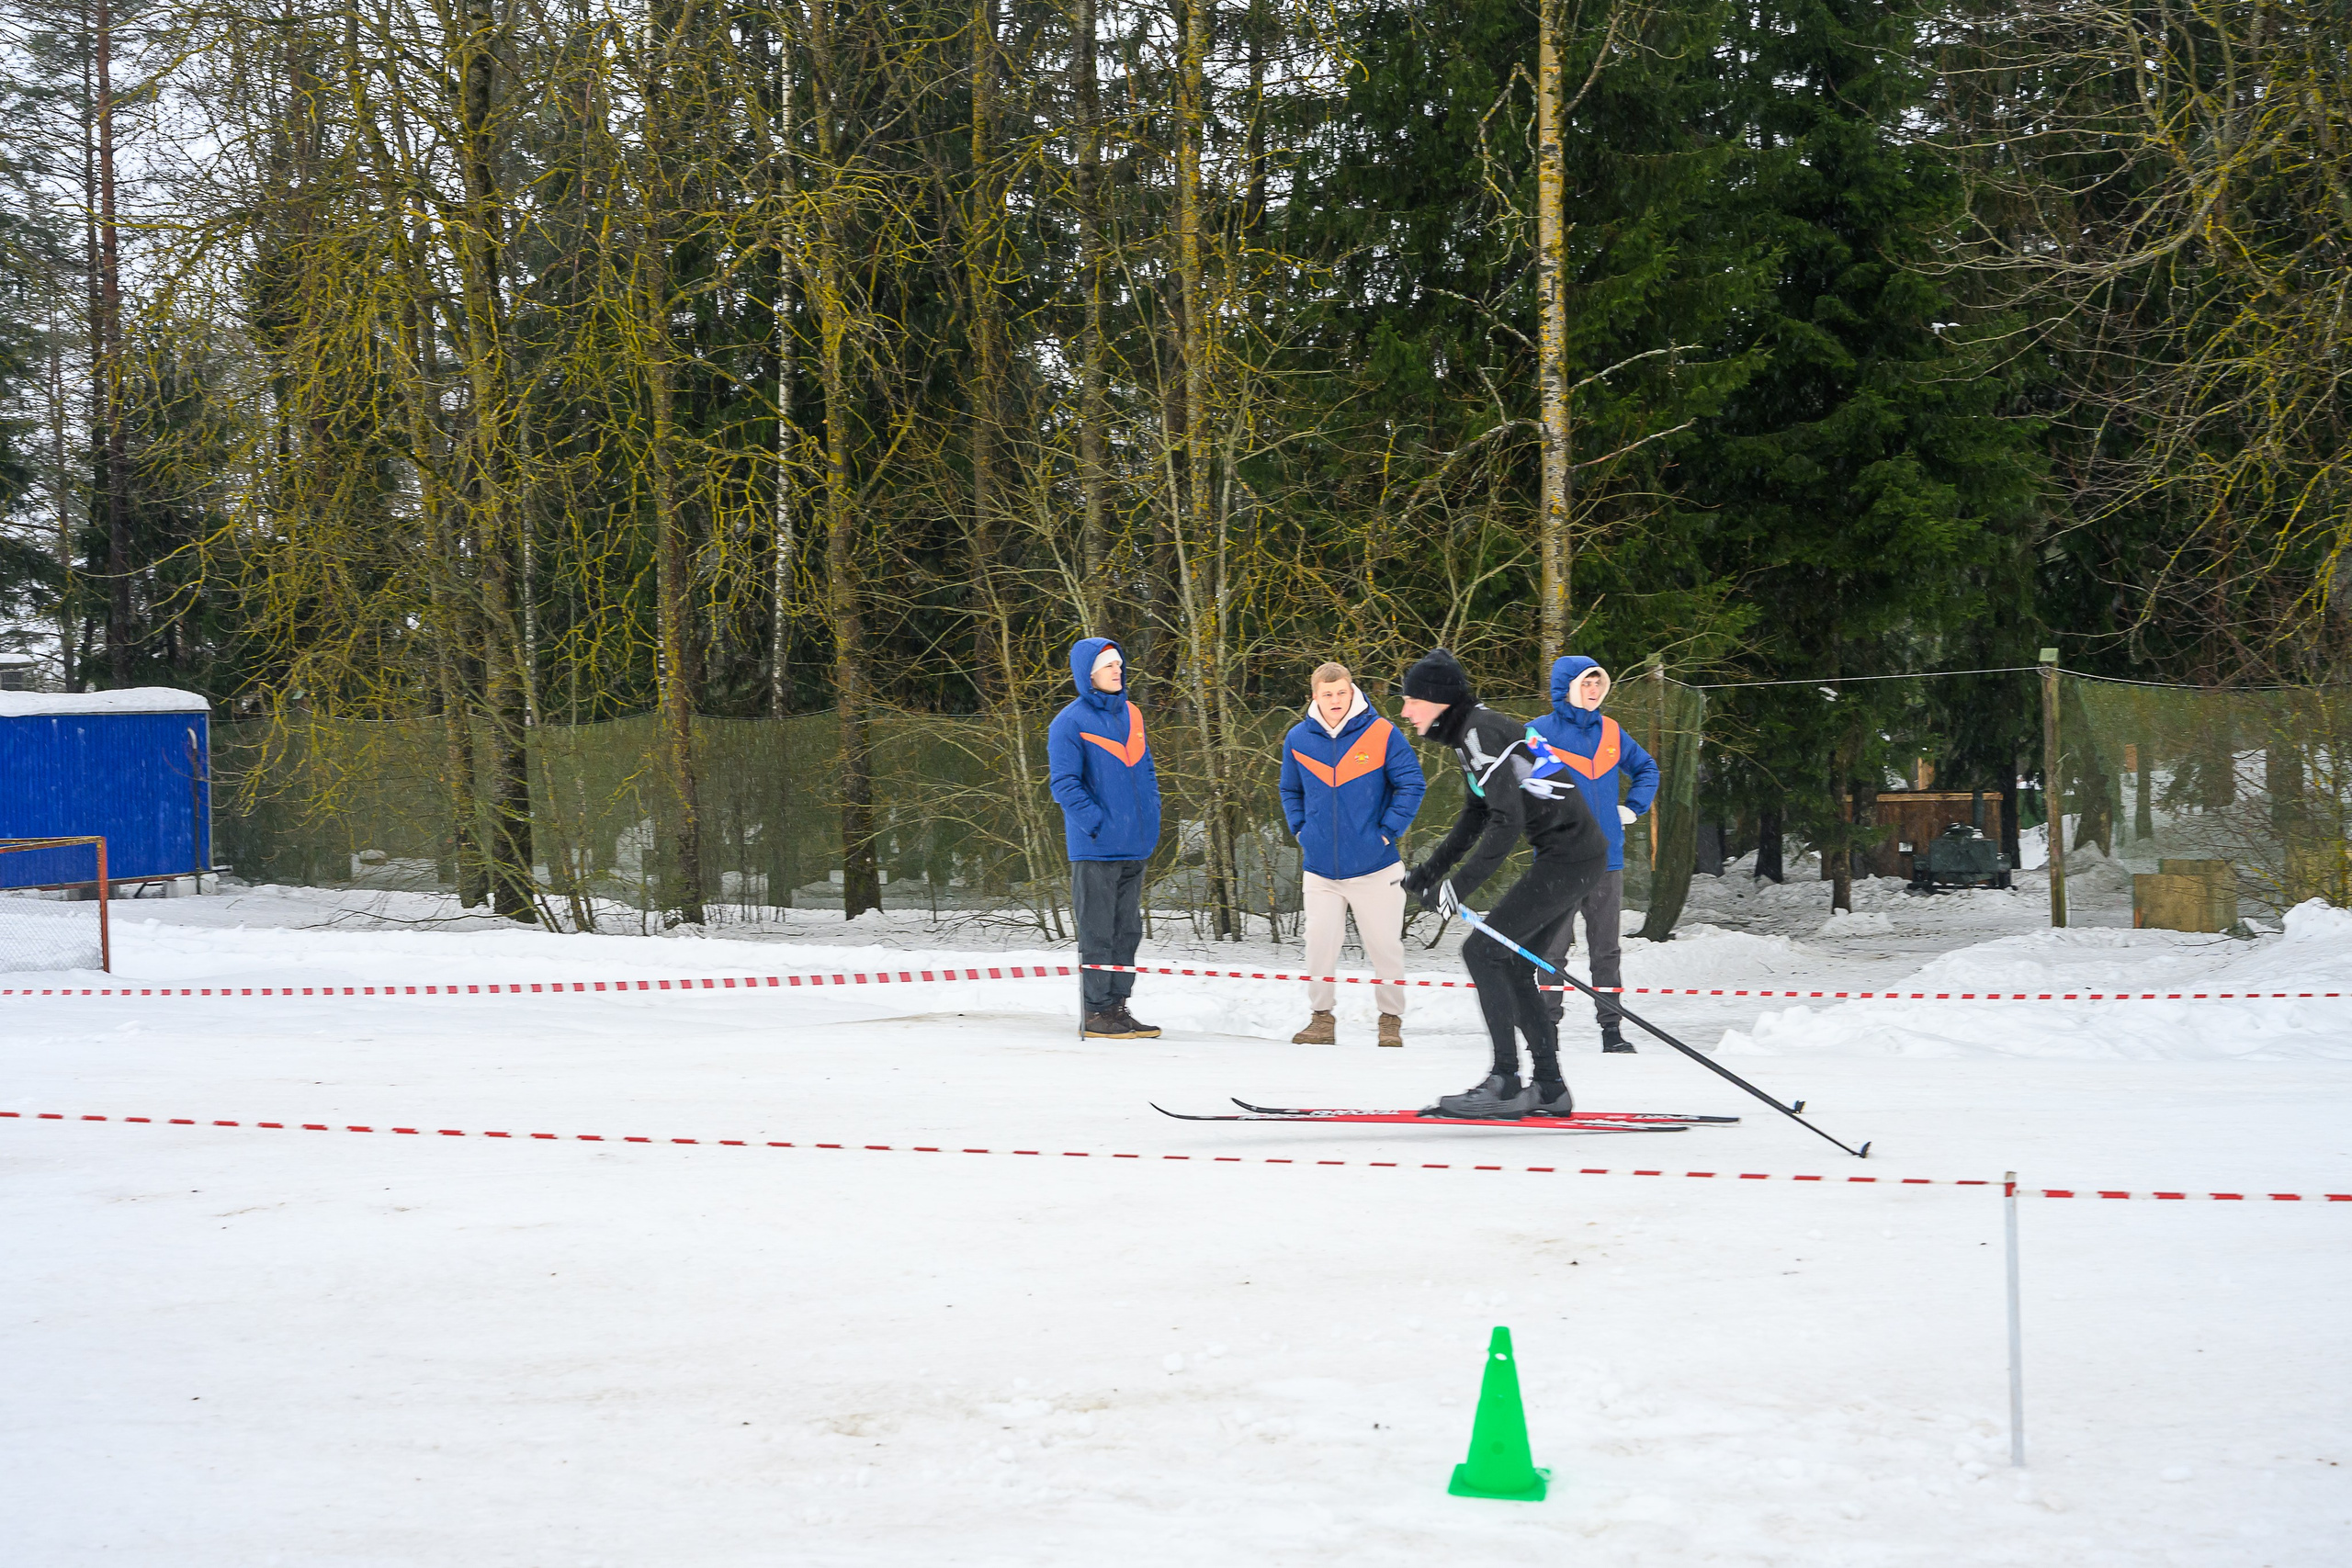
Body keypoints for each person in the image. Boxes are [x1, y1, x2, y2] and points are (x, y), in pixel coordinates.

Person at [1395, 649, 1610, 1117]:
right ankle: (1549, 1089)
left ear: (1437, 700)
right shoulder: (1472, 732)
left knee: (1483, 951)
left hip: (1569, 857)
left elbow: (1506, 822)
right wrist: (1430, 873)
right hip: (1572, 854)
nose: (1406, 711)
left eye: (1412, 701)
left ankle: (1506, 1082)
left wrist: (1456, 890)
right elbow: (1477, 814)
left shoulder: (1478, 734)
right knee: (1509, 964)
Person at [1278, 661, 1427, 1046]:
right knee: (1319, 946)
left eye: (1341, 693)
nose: (1335, 701)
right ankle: (1321, 1020)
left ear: (1352, 692)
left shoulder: (1382, 733)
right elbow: (1289, 790)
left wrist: (1387, 832)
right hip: (1321, 870)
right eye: (1327, 694)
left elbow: (1412, 783)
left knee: (1386, 947)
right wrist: (1301, 830)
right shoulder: (1297, 738)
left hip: (1376, 867)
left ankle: (1390, 1021)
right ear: (1315, 697)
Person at [1528, 656, 1660, 1053]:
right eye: (1586, 684)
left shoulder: (1612, 732)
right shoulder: (1538, 733)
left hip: (1607, 861)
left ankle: (1612, 1031)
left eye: (1598, 684)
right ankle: (1546, 1030)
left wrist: (1632, 807)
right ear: (1567, 687)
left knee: (1606, 951)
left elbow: (1647, 768)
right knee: (1552, 950)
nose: (1593, 691)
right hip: (1559, 864)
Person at [1047, 637, 1163, 1039]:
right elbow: (1063, 784)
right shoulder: (1069, 722)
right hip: (1095, 847)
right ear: (1088, 674)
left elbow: (1146, 773)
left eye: (1119, 664)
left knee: (1127, 932)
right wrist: (1096, 824)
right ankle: (1095, 1012)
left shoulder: (1132, 714)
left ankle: (1117, 1007)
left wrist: (1151, 818)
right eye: (1108, 665)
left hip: (1135, 845)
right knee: (1097, 931)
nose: (1118, 670)